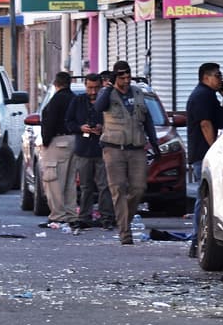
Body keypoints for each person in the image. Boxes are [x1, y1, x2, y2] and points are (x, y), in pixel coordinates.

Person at [94, 59, 158, 245]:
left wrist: (153, 144)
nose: (127, 79)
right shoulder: (107, 94)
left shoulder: (138, 93)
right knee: (118, 188)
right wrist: (109, 87)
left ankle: (124, 220)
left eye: (128, 75)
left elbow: (147, 120)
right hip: (114, 148)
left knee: (138, 188)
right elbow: (99, 107)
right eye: (122, 76)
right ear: (116, 77)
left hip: (137, 148)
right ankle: (125, 232)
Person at [184, 61, 223, 256]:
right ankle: (197, 240)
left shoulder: (210, 96)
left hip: (205, 154)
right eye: (217, 76)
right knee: (203, 199)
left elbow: (220, 121)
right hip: (203, 155)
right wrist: (214, 150)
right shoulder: (202, 95)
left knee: (207, 198)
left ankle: (202, 238)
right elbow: (205, 124)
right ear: (206, 77)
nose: (221, 79)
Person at [66, 71, 114, 229]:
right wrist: (81, 128)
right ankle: (85, 216)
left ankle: (106, 217)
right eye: (90, 88)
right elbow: (68, 122)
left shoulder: (107, 102)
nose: (93, 92)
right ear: (85, 87)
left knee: (104, 185)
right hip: (84, 149)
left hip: (102, 149)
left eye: (96, 88)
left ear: (101, 86)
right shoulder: (77, 101)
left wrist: (103, 128)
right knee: (86, 186)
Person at [38, 70, 78, 228]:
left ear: (56, 84)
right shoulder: (75, 99)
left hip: (58, 142)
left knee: (53, 180)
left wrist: (46, 141)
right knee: (69, 181)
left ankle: (57, 216)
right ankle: (71, 215)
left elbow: (50, 121)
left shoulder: (56, 100)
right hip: (74, 141)